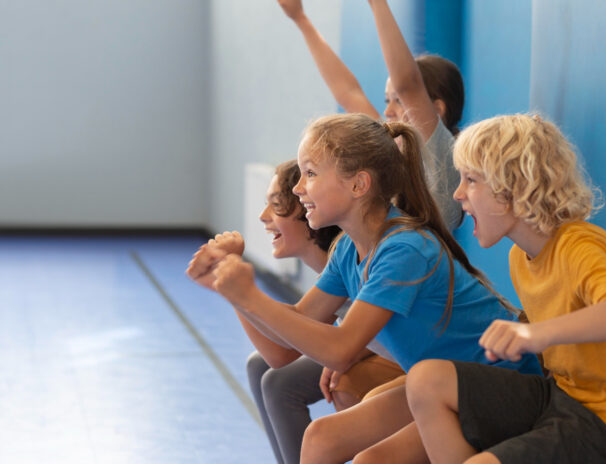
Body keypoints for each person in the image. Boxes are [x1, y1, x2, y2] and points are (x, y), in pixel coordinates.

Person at [193, 113, 541, 464]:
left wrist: (247, 294)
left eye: (310, 173)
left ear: (359, 185)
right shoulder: (347, 247)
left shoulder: (405, 248)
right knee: (321, 437)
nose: (298, 188)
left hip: (499, 385)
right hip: (444, 381)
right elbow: (284, 350)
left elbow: (340, 350)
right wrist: (230, 287)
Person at [406, 114, 606, 463]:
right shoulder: (519, 258)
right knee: (426, 380)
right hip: (562, 397)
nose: (458, 193)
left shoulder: (579, 244)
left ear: (514, 188)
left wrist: (537, 334)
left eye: (471, 179)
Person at [187, 160, 404, 464]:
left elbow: (287, 353)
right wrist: (232, 288)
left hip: (422, 366)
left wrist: (239, 291)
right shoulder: (341, 257)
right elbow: (283, 344)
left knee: (285, 382)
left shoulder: (384, 252)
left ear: (307, 211)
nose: (263, 217)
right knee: (260, 365)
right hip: (384, 353)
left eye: (276, 206)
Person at [277, 0, 464, 231]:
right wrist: (301, 20)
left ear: (436, 109)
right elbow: (348, 94)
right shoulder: (395, 152)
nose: (388, 111)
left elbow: (408, 84)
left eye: (399, 101)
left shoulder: (443, 156)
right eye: (387, 100)